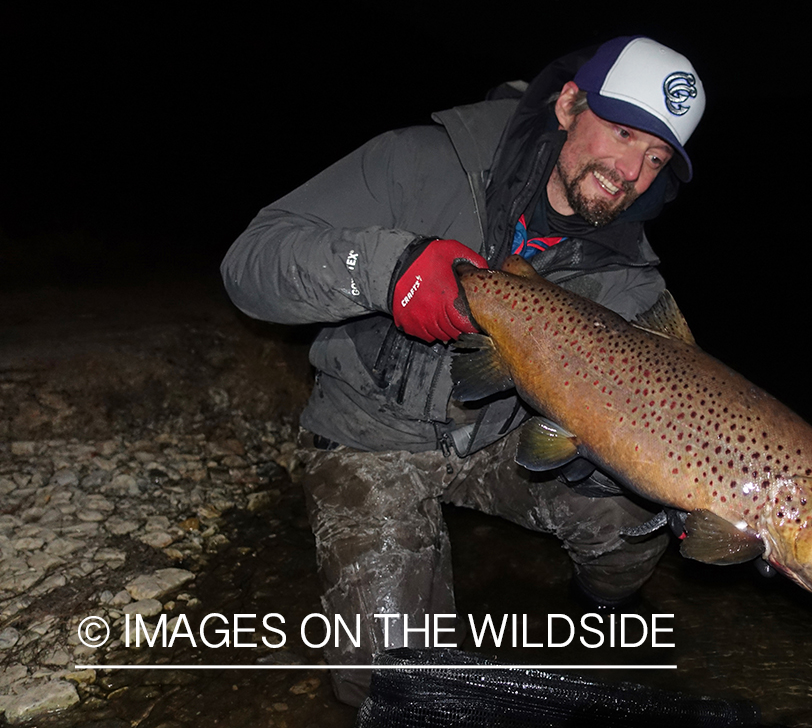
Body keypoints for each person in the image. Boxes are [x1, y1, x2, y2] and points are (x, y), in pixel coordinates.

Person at [221, 35, 705, 708]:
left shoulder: (626, 279)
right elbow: (250, 264)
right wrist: (385, 270)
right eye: (623, 133)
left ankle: (593, 611)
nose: (631, 170)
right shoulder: (420, 161)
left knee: (634, 519)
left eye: (655, 158)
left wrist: (654, 479)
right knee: (390, 685)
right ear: (569, 105)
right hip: (372, 431)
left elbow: (661, 414)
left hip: (501, 435)